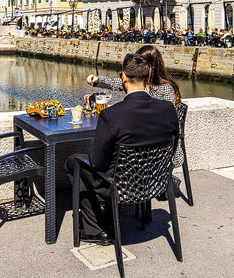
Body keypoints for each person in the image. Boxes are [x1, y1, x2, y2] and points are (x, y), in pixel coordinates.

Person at [66, 53, 179, 244]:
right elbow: (172, 149)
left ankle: (96, 228)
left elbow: (97, 162)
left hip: (120, 186)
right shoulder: (168, 109)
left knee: (73, 163)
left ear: (124, 78)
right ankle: (108, 218)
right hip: (154, 181)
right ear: (147, 77)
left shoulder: (112, 115)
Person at [87, 45, 182, 105]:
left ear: (152, 66)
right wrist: (98, 80)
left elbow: (168, 116)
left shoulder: (165, 88)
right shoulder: (138, 81)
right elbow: (117, 83)